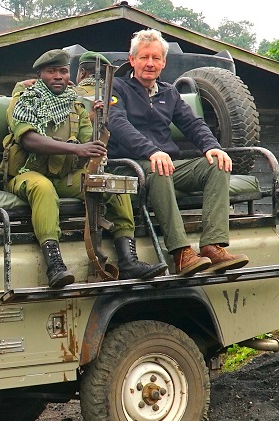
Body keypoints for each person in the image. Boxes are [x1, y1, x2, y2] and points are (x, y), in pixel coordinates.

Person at [3, 49, 164, 288]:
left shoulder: (75, 104)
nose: (58, 76)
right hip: (28, 173)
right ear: (40, 75)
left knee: (113, 184)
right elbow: (29, 140)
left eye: (63, 71)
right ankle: (55, 264)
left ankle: (129, 260)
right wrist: (76, 150)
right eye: (51, 71)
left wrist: (97, 126)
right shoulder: (25, 101)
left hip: (65, 176)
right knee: (43, 189)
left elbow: (91, 143)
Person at [108, 29, 249, 276]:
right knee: (160, 167)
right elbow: (118, 125)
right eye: (143, 57)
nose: (149, 63)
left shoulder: (169, 92)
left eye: (155, 58)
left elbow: (194, 124)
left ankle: (212, 245)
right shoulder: (118, 88)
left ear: (164, 63)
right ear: (132, 60)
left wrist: (213, 147)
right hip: (128, 167)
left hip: (164, 166)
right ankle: (181, 253)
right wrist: (151, 151)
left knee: (216, 164)